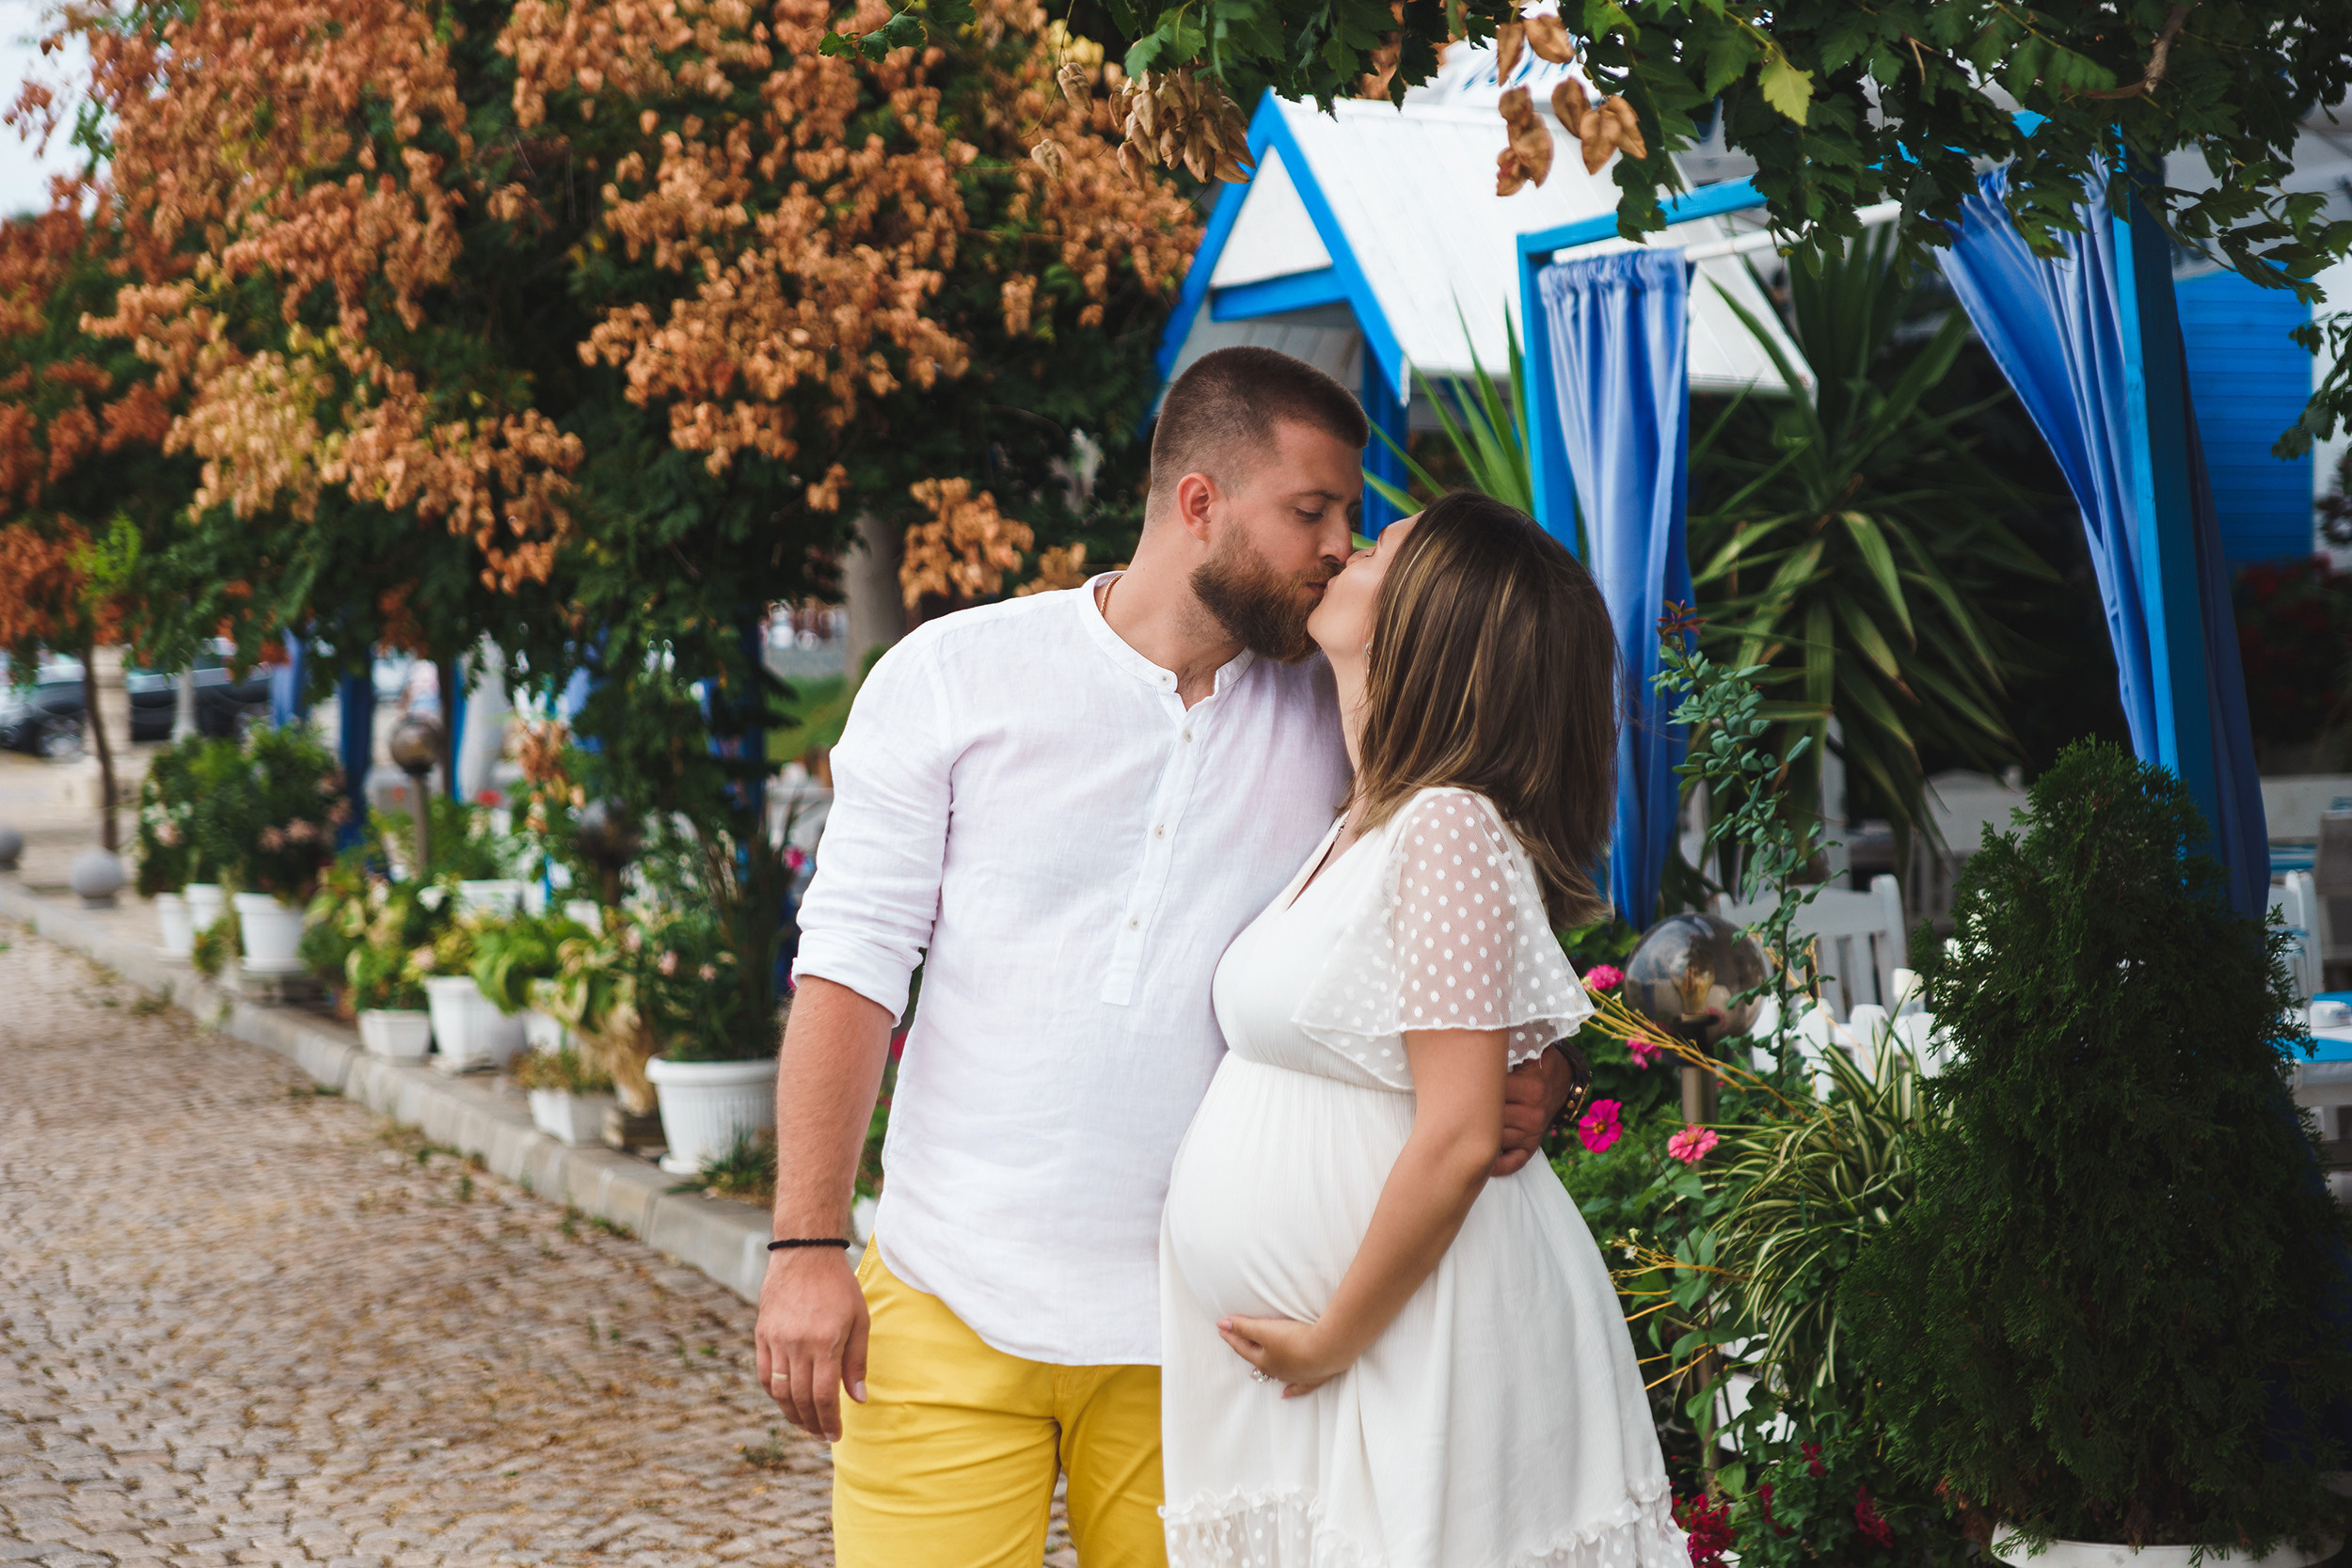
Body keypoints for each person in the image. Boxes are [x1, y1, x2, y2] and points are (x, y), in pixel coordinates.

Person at [754, 346, 1586, 1568]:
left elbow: (1460, 885)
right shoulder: (953, 675)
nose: (1338, 547)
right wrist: (805, 1245)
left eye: (1348, 520)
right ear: (1201, 502)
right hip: (944, 1288)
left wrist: (1536, 1059)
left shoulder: (1343, 710)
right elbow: (850, 968)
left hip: (1202, 1335)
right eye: (1311, 511)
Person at [1158, 491, 1688, 1568]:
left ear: (1433, 625)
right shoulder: (1365, 820)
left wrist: (1331, 1335)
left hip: (1407, 1342)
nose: (1344, 550)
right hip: (1344, 1360)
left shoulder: (1445, 823)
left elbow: (1456, 1132)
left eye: (1379, 550)